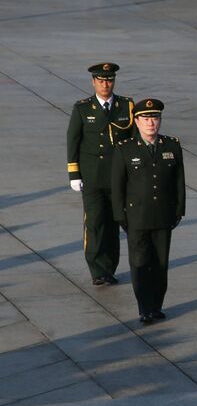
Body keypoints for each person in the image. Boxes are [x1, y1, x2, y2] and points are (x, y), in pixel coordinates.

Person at [111, 98, 184, 325]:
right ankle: (145, 307)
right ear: (137, 121)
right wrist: (120, 215)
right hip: (137, 217)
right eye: (146, 118)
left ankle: (156, 305)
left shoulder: (171, 145)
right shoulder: (125, 148)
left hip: (163, 215)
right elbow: (117, 185)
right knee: (140, 263)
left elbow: (179, 182)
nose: (151, 123)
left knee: (161, 264)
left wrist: (179, 211)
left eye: (155, 118)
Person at [66, 61, 133, 287]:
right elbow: (73, 141)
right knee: (95, 223)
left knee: (114, 224)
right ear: (93, 82)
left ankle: (109, 268)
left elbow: (132, 141)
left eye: (109, 80)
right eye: (101, 80)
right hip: (93, 176)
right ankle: (97, 270)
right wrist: (74, 173)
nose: (106, 84)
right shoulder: (83, 108)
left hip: (117, 178)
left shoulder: (127, 107)